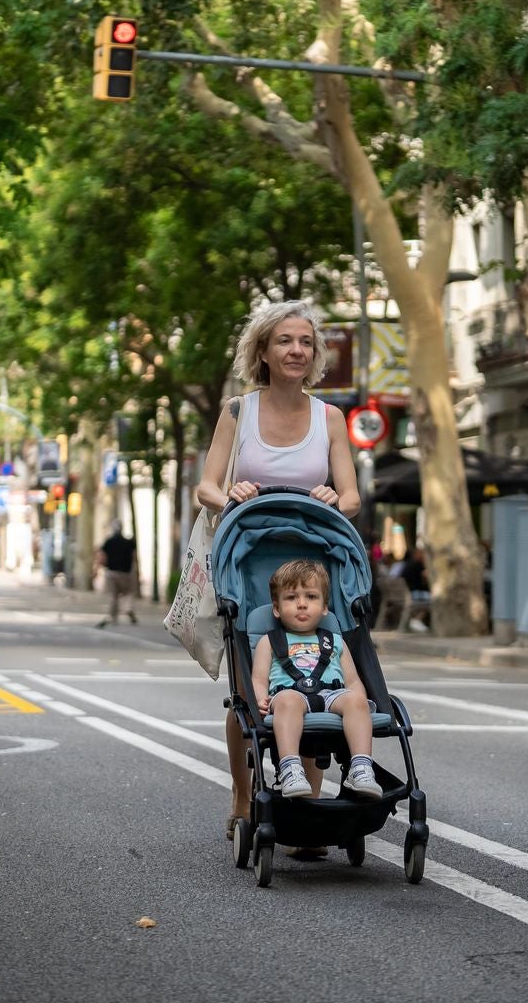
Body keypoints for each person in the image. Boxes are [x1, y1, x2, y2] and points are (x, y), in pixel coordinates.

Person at [196, 299, 360, 837]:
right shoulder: (238, 411)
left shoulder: (330, 418)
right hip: (249, 561)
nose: (296, 350)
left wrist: (335, 496)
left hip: (313, 562)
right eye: (285, 341)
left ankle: (305, 810)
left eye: (306, 342)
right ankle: (243, 799)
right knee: (247, 691)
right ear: (263, 351)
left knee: (315, 678)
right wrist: (228, 494)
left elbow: (353, 497)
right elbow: (205, 486)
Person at [252, 560, 381, 799]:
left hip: (331, 695)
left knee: (355, 700)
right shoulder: (269, 641)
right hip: (289, 694)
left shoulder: (335, 641)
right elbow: (258, 679)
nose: (301, 604)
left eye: (311, 596)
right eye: (291, 598)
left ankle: (361, 767)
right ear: (277, 608)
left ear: (324, 607)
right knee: (288, 700)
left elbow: (352, 681)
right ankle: (291, 768)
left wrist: (360, 701)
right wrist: (261, 699)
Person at [95, 521, 138, 628]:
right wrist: (136, 571)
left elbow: (102, 557)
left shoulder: (108, 542)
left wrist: (96, 570)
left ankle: (112, 616)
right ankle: (128, 609)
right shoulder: (129, 542)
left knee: (113, 596)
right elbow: (134, 557)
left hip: (111, 573)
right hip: (125, 573)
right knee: (127, 593)